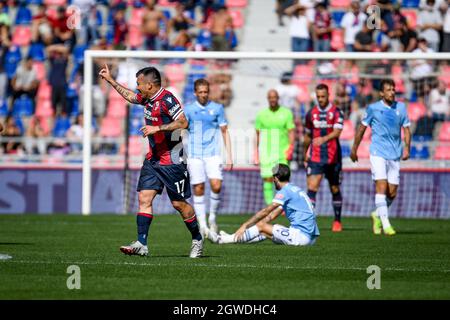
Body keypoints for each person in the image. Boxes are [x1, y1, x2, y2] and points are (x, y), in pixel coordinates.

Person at [99, 64, 203, 258]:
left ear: (149, 85)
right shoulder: (146, 98)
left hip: (172, 160)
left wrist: (158, 128)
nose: (137, 87)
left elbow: (183, 122)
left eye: (139, 83)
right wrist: (111, 80)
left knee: (179, 204)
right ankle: (142, 243)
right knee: (144, 198)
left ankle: (197, 238)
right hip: (153, 158)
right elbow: (130, 97)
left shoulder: (167, 99)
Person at [350, 79, 411, 236]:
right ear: (381, 93)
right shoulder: (373, 108)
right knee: (381, 187)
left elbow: (407, 130)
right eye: (388, 90)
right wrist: (354, 149)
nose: (392, 92)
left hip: (395, 154)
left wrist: (407, 149)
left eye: (393, 89)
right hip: (378, 153)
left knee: (392, 193)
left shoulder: (401, 108)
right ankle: (386, 225)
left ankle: (377, 215)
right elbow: (362, 129)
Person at [209, 164, 320, 247]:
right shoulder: (294, 189)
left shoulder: (285, 191)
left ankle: (222, 239)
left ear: (276, 178)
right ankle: (228, 238)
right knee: (264, 230)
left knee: (261, 226)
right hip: (310, 238)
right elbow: (271, 216)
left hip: (301, 237)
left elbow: (266, 211)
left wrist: (245, 225)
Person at [184, 78, 233, 236]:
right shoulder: (189, 109)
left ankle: (212, 217)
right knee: (198, 188)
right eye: (201, 92)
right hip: (195, 154)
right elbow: (181, 130)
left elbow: (225, 131)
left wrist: (229, 156)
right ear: (195, 93)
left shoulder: (217, 108)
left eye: (206, 92)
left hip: (213, 153)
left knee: (216, 185)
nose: (204, 95)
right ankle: (203, 225)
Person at [304, 84, 345, 232]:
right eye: (318, 96)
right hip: (315, 156)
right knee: (312, 188)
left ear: (328, 96)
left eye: (323, 96)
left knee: (334, 188)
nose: (320, 99)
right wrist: (304, 153)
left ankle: (337, 221)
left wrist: (323, 139)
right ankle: (309, 221)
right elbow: (308, 135)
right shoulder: (310, 114)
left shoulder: (336, 112)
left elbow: (337, 132)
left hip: (333, 157)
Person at [255, 89, 295, 206]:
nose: (272, 99)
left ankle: (284, 205)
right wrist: (256, 152)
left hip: (282, 151)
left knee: (283, 180)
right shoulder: (261, 114)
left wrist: (291, 147)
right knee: (267, 179)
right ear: (268, 99)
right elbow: (257, 133)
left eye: (275, 97)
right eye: (270, 97)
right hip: (266, 152)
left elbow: (291, 131)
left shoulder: (286, 113)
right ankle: (270, 206)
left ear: (278, 98)